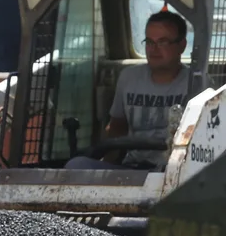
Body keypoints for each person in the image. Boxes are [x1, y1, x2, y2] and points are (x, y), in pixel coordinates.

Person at [65, 11, 190, 170]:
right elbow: (117, 126)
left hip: (174, 172)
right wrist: (107, 164)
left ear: (182, 45)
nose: (154, 49)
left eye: (163, 42)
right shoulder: (129, 78)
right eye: (149, 42)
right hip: (131, 167)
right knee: (76, 166)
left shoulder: (197, 84)